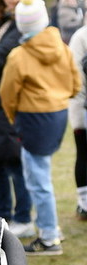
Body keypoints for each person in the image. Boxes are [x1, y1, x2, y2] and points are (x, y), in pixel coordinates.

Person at [0, 0, 81, 255]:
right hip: (58, 114)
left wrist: (13, 117)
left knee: (37, 179)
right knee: (42, 174)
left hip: (32, 117)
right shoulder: (62, 46)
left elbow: (7, 93)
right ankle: (50, 226)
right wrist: (59, 98)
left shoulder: (19, 55)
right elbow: (75, 83)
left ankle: (48, 237)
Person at [0, 0, 34, 237]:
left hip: (7, 102)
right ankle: (3, 216)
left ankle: (23, 217)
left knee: (14, 162)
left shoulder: (22, 23)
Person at [68, 19, 87, 220]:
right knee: (83, 153)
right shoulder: (81, 37)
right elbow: (76, 78)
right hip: (82, 106)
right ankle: (84, 203)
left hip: (82, 106)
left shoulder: (81, 36)